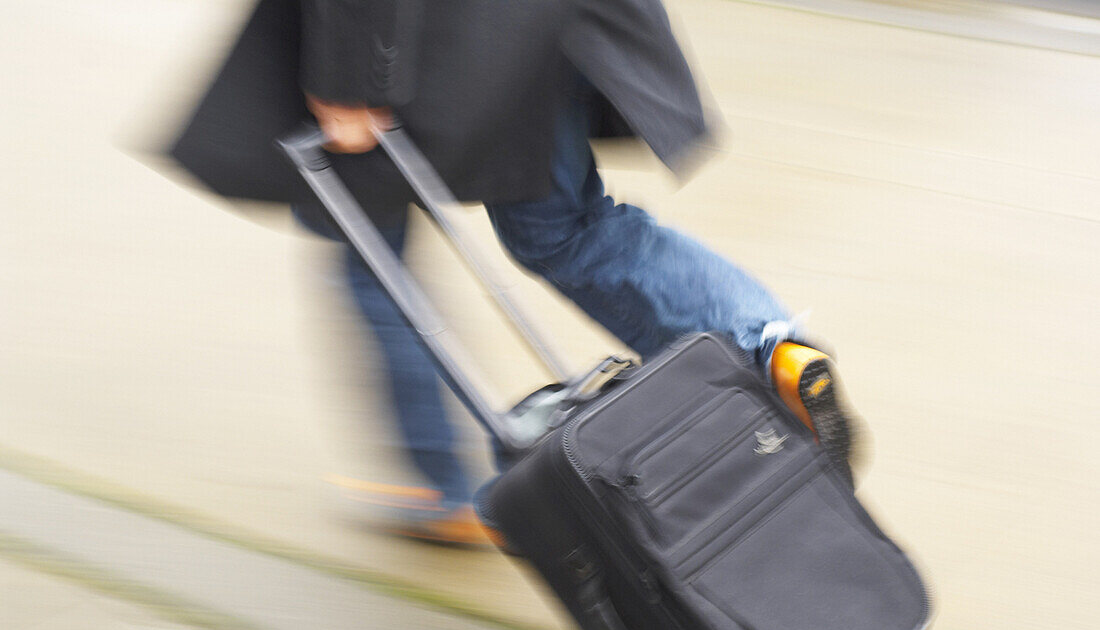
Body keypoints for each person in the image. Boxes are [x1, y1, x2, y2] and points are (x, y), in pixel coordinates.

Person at [170, 0, 858, 545]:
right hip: (539, 24)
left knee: (367, 248)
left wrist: (350, 74)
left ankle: (449, 491)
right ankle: (764, 349)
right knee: (569, 230)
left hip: (418, 30)